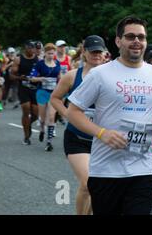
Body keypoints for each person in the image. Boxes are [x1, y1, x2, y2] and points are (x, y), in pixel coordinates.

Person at [66, 16, 152, 215]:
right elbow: (73, 111)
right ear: (118, 41)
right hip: (106, 170)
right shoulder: (100, 74)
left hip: (143, 168)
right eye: (130, 36)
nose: (137, 41)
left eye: (141, 37)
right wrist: (102, 133)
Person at [51, 35, 106, 215]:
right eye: (93, 51)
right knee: (88, 182)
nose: (96, 55)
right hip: (77, 138)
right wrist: (68, 114)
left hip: (103, 140)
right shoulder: (72, 76)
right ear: (84, 52)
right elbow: (55, 98)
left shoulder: (113, 77)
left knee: (97, 186)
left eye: (99, 51)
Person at [30, 43, 61, 151]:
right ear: (45, 53)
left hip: (53, 94)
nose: (51, 55)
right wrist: (41, 79)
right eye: (49, 53)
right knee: (43, 119)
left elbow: (60, 77)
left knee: (52, 116)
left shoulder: (57, 64)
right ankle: (42, 129)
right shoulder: (40, 64)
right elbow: (31, 78)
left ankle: (49, 142)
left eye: (53, 53)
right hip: (42, 92)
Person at [10, 40, 39, 145]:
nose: (31, 50)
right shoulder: (18, 59)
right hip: (23, 88)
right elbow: (11, 75)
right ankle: (26, 136)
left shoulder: (37, 59)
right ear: (25, 48)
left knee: (36, 114)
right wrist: (19, 77)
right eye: (29, 48)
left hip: (35, 88)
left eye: (33, 48)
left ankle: (28, 124)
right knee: (26, 109)